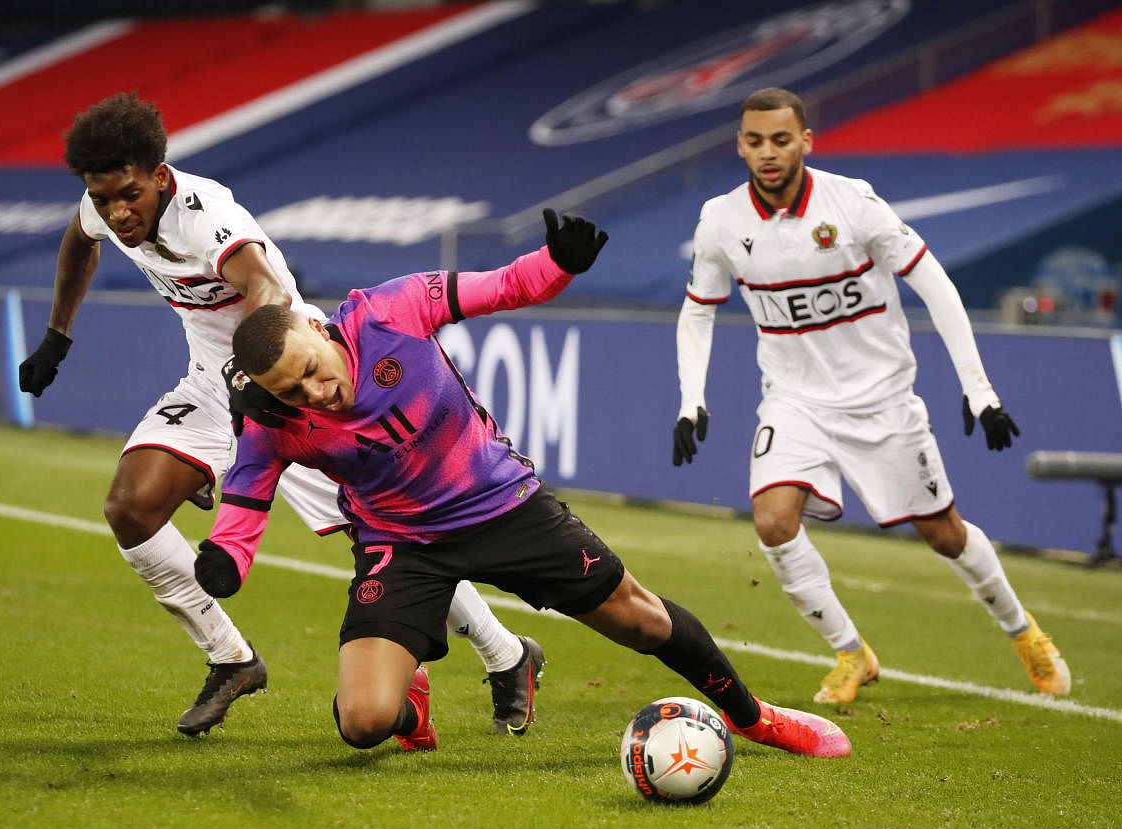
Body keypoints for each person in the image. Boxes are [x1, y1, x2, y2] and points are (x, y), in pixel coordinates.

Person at [191, 207, 852, 759]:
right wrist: (226, 557)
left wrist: (556, 262)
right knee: (362, 720)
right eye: (294, 389)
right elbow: (247, 495)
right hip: (402, 542)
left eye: (311, 370)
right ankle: (408, 706)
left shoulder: (391, 310)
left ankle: (753, 716)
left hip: (504, 507)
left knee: (644, 620)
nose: (316, 393)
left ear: (314, 327)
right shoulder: (272, 417)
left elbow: (503, 286)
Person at [17, 92, 545, 738]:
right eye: (103, 199)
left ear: (159, 176)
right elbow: (80, 241)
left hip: (287, 385)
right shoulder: (103, 206)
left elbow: (265, 284)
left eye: (127, 193)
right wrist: (57, 335)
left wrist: (254, 377)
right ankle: (231, 657)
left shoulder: (202, 214)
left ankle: (508, 655)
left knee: (381, 536)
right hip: (214, 385)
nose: (115, 211)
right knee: (131, 507)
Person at [671, 86, 1070, 704]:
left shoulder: (852, 204)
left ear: (806, 140)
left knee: (944, 534)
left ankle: (1024, 632)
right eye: (755, 141)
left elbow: (934, 283)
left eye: (781, 139)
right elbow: (697, 314)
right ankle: (852, 654)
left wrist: (978, 389)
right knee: (774, 522)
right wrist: (690, 399)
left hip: (883, 401)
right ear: (740, 145)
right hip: (794, 400)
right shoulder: (721, 221)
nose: (768, 152)